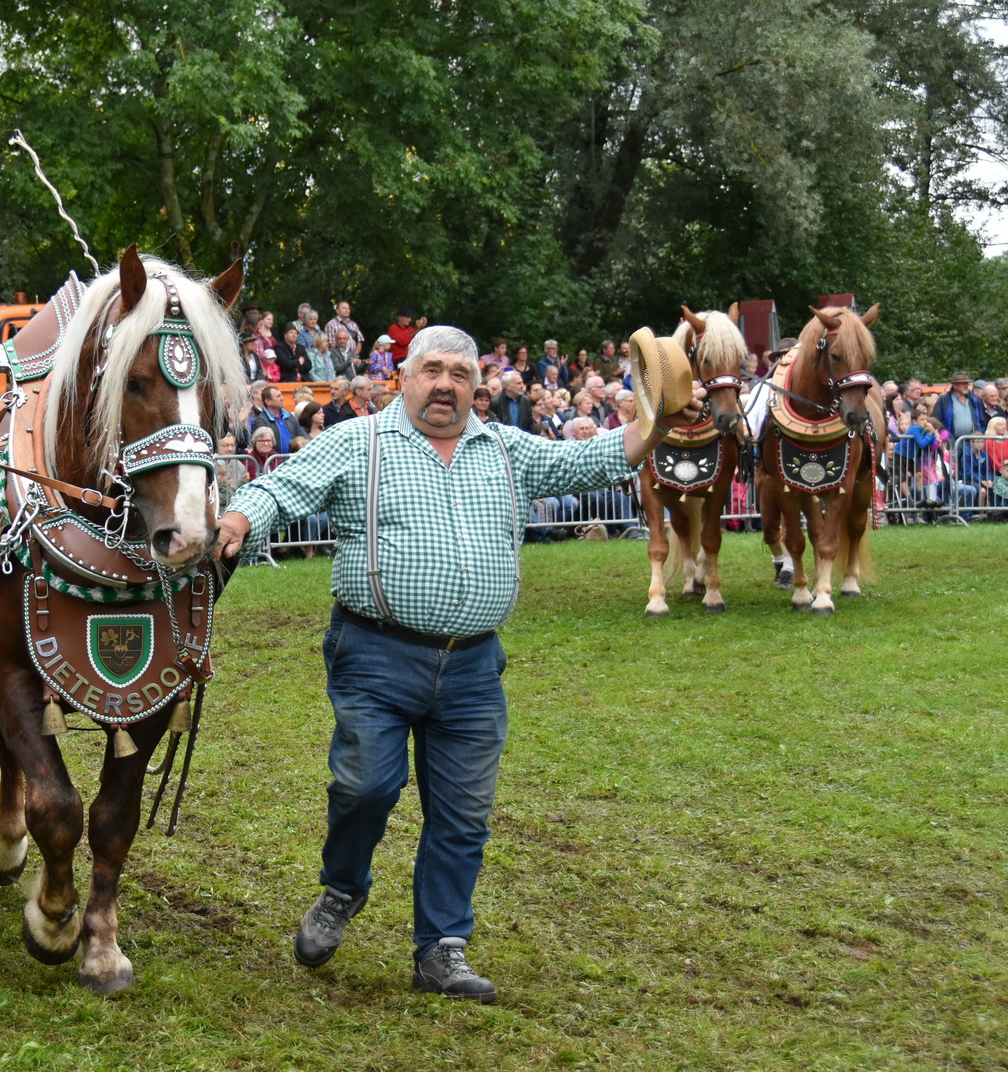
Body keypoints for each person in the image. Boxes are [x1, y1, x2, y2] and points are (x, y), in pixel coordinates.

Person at [212, 324, 703, 1003]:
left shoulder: (504, 447)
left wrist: (653, 421)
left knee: (464, 813)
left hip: (473, 667)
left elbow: (589, 464)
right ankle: (342, 887)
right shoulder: (359, 443)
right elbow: (280, 488)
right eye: (433, 369)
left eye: (461, 373)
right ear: (404, 377)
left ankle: (441, 947)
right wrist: (238, 520)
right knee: (365, 786)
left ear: (477, 385)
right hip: (375, 654)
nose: (446, 384)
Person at [249, 385, 300, 453]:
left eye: (281, 395)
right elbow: (264, 445)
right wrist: (277, 460)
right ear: (268, 401)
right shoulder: (260, 421)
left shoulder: (290, 417)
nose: (282, 398)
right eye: (278, 396)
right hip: (274, 461)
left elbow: (300, 435)